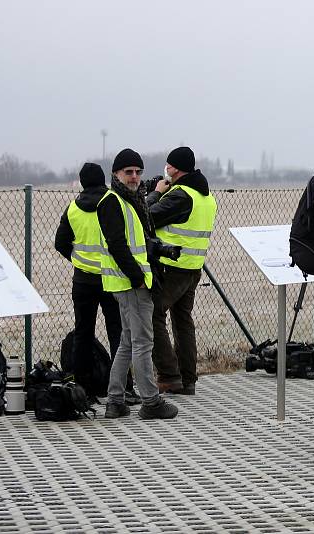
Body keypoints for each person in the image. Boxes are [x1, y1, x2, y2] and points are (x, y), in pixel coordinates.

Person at [97, 148, 178, 420]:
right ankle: (150, 402)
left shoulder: (131, 199)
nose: (134, 177)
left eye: (137, 172)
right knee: (143, 342)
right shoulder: (113, 201)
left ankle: (115, 401)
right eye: (128, 172)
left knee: (128, 342)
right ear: (116, 174)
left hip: (129, 282)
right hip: (132, 283)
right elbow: (118, 247)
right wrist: (139, 279)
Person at [54, 163, 139, 404]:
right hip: (111, 278)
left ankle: (83, 389)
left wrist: (78, 260)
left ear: (81, 182)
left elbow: (60, 242)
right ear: (104, 179)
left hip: (82, 280)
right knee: (118, 333)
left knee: (83, 333)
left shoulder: (72, 209)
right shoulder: (112, 202)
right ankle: (123, 387)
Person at [147, 147, 217, 395]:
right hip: (192, 267)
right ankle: (188, 379)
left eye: (168, 165)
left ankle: (169, 376)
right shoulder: (205, 196)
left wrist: (154, 195)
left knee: (152, 315)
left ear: (175, 168)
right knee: (182, 321)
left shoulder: (181, 196)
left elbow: (146, 218)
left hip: (171, 267)